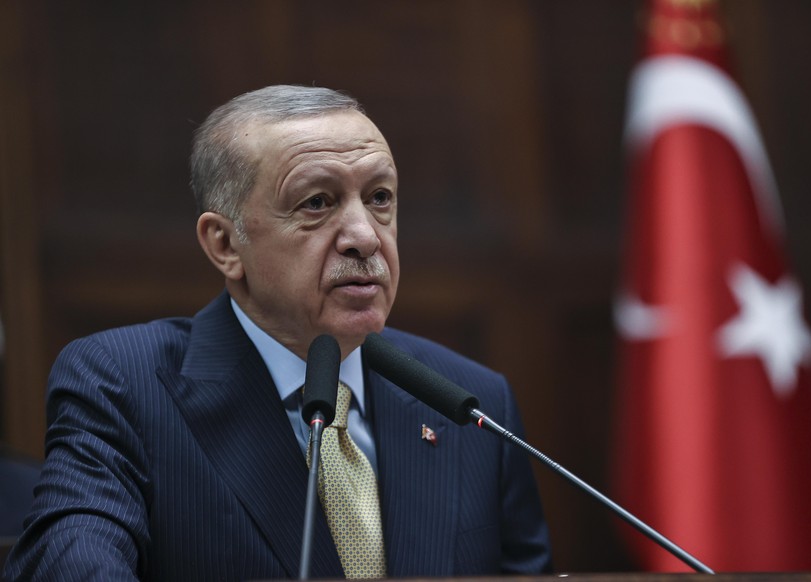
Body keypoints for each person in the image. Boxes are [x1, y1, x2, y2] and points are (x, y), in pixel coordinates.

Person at [3, 85, 552, 581]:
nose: (364, 235)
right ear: (224, 244)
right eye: (317, 202)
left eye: (380, 198)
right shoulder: (124, 385)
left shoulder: (472, 403)